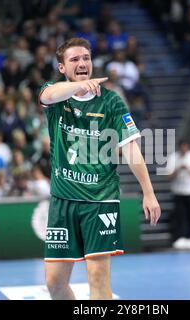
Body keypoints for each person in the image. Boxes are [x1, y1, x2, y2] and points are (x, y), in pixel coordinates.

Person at [38, 37, 161, 300]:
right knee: (54, 284)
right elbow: (47, 95)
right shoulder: (55, 94)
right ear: (62, 68)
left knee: (97, 277)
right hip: (63, 201)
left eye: (86, 58)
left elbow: (131, 149)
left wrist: (148, 192)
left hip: (100, 199)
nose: (82, 63)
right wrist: (78, 86)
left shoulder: (112, 102)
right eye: (74, 59)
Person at [166, 139, 190, 250]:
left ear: (188, 146)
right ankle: (180, 237)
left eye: (185, 146)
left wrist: (188, 170)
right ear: (179, 147)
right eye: (182, 146)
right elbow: (168, 176)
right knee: (180, 216)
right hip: (178, 192)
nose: (184, 149)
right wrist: (178, 169)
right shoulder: (173, 158)